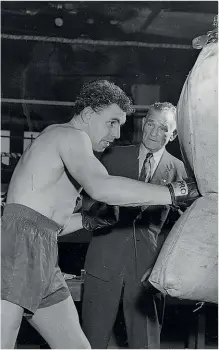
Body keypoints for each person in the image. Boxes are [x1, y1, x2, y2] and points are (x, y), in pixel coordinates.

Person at [1, 80, 198, 349]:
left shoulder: (70, 148)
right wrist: (174, 193)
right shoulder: (70, 135)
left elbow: (48, 225)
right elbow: (101, 187)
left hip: (42, 247)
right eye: (112, 122)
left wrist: (85, 220)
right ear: (89, 114)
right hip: (18, 246)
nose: (117, 134)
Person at [82, 102, 187, 349]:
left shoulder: (179, 170)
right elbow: (87, 203)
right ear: (143, 123)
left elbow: (180, 230)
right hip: (104, 262)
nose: (152, 132)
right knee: (90, 341)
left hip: (148, 271)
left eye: (163, 128)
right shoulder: (111, 156)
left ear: (172, 135)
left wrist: (163, 266)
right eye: (150, 123)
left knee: (146, 343)